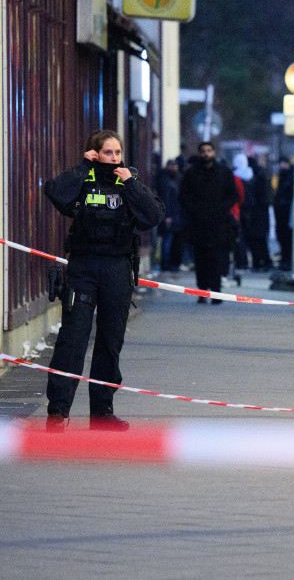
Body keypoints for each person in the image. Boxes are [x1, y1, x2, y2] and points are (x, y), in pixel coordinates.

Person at [42, 130, 164, 432]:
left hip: (117, 269)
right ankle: (58, 411)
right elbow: (55, 192)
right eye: (107, 153)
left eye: (118, 153)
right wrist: (85, 167)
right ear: (95, 154)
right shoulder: (83, 179)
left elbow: (154, 215)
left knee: (110, 342)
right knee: (73, 339)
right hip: (84, 266)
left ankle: (102, 411)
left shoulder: (128, 183)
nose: (114, 158)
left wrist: (131, 183)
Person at [179, 141, 239, 303]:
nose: (206, 154)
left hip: (219, 223)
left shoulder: (224, 173)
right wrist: (195, 210)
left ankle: (216, 291)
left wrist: (222, 209)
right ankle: (203, 291)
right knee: (201, 259)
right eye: (203, 151)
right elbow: (184, 196)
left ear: (214, 152)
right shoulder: (192, 173)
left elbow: (233, 195)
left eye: (209, 150)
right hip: (199, 224)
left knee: (217, 258)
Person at [240, 153, 273, 270]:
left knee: (255, 240)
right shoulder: (261, 175)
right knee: (260, 240)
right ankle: (263, 261)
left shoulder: (252, 177)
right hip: (260, 213)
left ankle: (259, 262)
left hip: (255, 214)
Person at [155, 157, 185, 271]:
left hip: (175, 215)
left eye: (175, 165)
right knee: (167, 240)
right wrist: (167, 215)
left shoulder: (176, 179)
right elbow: (165, 199)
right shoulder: (165, 180)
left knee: (171, 240)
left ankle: (170, 263)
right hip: (169, 215)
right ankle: (166, 263)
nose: (174, 168)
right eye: (171, 165)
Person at [272, 156, 294, 270]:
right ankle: (285, 258)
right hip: (281, 211)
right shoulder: (282, 176)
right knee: (282, 236)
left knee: (286, 237)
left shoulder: (289, 175)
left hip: (286, 211)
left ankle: (287, 260)